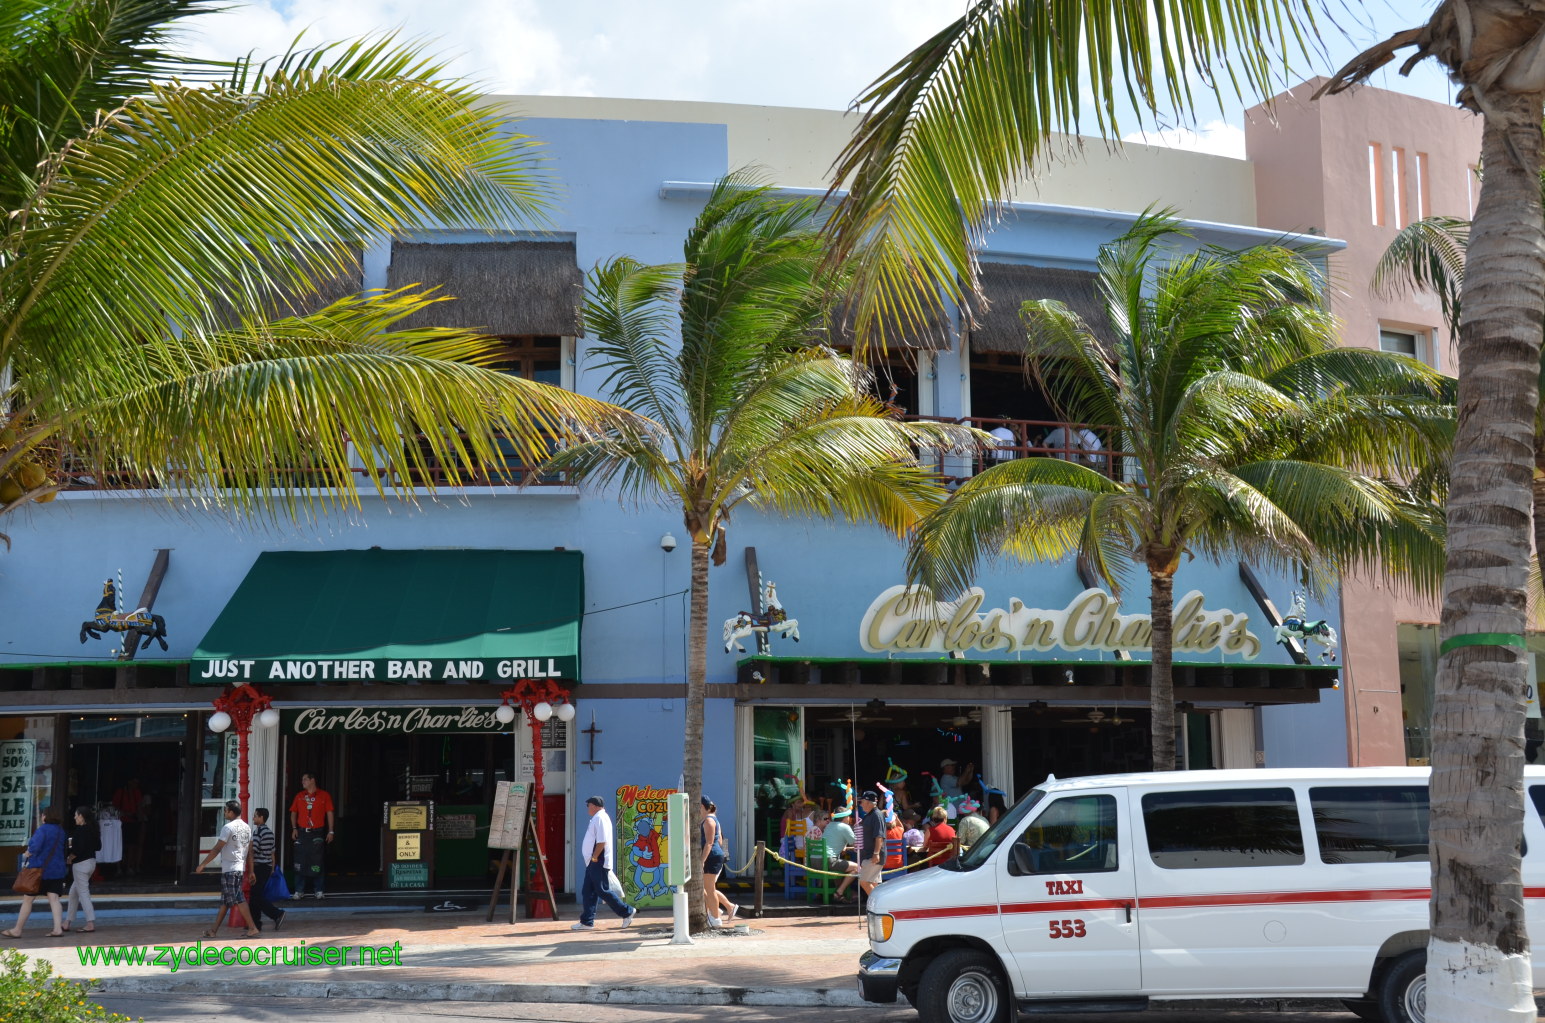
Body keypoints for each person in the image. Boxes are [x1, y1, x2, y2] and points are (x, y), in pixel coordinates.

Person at [196, 799, 259, 938]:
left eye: (225, 810)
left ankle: (253, 927)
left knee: (238, 898)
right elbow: (250, 852)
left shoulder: (228, 827)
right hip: (238, 868)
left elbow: (217, 848)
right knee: (225, 901)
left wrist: (203, 864)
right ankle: (213, 931)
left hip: (231, 868)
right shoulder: (247, 827)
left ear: (231, 812)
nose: (224, 812)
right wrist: (251, 870)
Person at [572, 796, 636, 931]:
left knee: (602, 890)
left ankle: (627, 911)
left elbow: (601, 841)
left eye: (588, 805)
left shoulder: (600, 818)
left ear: (595, 806)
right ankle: (587, 922)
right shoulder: (598, 818)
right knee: (588, 891)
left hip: (598, 861)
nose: (588, 808)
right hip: (593, 862)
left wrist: (595, 857)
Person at [3, 810, 67, 937]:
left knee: (28, 900)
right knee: (54, 899)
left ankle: (17, 930)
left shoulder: (42, 830)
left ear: (45, 817)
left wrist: (27, 853)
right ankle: (57, 929)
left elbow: (34, 847)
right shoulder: (61, 831)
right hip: (57, 871)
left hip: (39, 871)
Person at [288, 772, 334, 899]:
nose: (302, 782)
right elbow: (293, 813)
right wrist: (294, 828)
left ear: (312, 780)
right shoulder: (299, 796)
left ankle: (319, 890)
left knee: (317, 860)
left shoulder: (324, 795)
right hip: (302, 832)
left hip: (317, 832)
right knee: (299, 861)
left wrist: (331, 831)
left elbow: (329, 813)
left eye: (305, 779)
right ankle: (299, 890)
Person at [699, 796, 739, 927]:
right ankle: (726, 907)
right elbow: (720, 841)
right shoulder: (713, 819)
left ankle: (716, 918)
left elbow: (709, 843)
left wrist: (702, 860)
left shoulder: (708, 821)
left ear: (701, 806)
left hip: (712, 857)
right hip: (715, 856)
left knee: (709, 889)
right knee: (707, 888)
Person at [247, 808, 284, 932]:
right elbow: (272, 852)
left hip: (259, 867)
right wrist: (272, 868)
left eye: (255, 816)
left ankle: (276, 914)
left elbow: (254, 850)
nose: (253, 818)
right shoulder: (270, 832)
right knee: (255, 896)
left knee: (256, 896)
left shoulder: (258, 832)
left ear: (261, 817)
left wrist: (248, 846)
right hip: (267, 867)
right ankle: (255, 923)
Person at [63, 806, 99, 933]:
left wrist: (69, 858)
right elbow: (98, 847)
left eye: (76, 815)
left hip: (80, 865)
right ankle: (67, 922)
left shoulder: (80, 831)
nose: (74, 817)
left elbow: (77, 850)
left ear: (81, 816)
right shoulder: (93, 829)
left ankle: (90, 923)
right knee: (74, 892)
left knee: (83, 893)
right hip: (91, 863)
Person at [817, 809, 860, 902]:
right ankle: (839, 892)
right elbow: (856, 844)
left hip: (814, 860)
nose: (849, 818)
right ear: (845, 818)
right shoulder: (845, 827)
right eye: (848, 816)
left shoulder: (829, 825)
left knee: (839, 866)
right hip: (827, 860)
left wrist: (844, 845)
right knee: (857, 868)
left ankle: (823, 893)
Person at [111, 778, 144, 876]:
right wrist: (124, 813)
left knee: (132, 845)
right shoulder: (120, 792)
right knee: (119, 845)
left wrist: (139, 819)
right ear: (129, 781)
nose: (136, 784)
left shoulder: (137, 792)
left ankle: (129, 867)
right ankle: (118, 868)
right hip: (120, 823)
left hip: (133, 822)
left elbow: (139, 806)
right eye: (134, 782)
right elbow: (114, 807)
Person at [856, 790, 885, 898]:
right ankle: (878, 910)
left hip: (872, 856)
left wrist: (876, 853)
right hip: (869, 854)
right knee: (874, 884)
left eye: (862, 802)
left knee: (864, 881)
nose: (861, 804)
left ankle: (879, 904)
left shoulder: (877, 815)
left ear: (868, 802)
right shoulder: (869, 815)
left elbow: (879, 836)